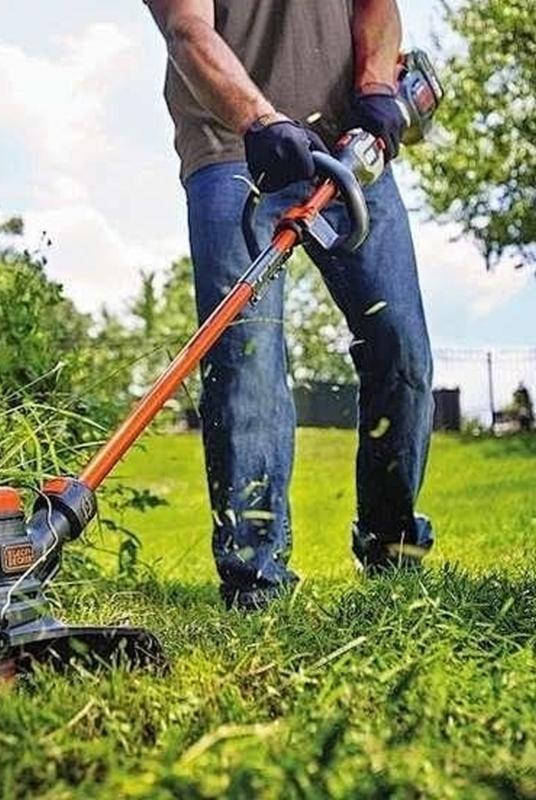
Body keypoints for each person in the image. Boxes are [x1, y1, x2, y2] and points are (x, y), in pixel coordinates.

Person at [146, 0, 435, 610]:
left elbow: (377, 8)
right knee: (245, 361)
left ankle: (393, 547)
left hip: (346, 147)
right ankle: (256, 578)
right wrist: (259, 120)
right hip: (235, 148)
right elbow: (187, 29)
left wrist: (378, 88)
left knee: (400, 347)